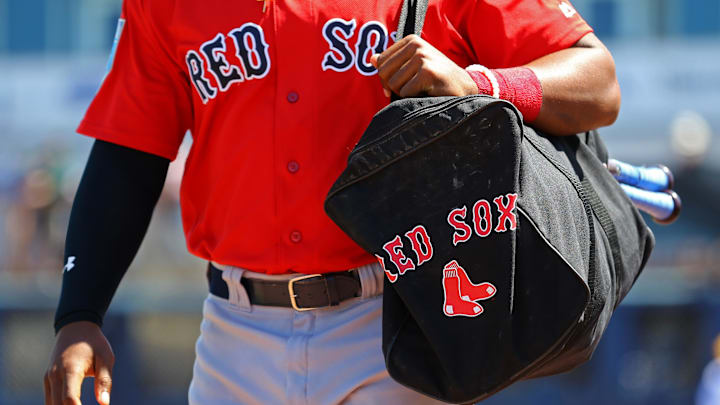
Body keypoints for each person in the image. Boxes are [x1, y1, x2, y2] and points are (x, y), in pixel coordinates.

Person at [43, 0, 620, 404]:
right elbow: (128, 155)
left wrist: (481, 84)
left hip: (392, 317)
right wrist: (79, 314)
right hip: (233, 334)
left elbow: (597, 80)